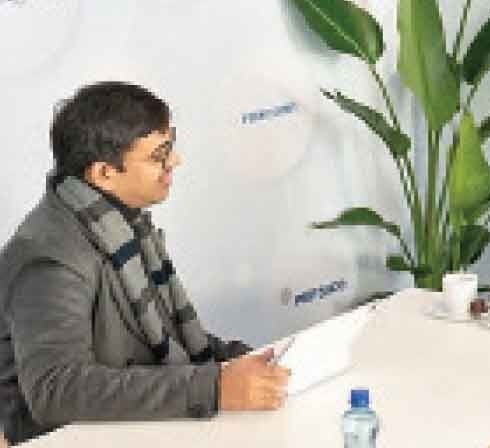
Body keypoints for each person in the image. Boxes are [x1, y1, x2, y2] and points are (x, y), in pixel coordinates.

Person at [0, 82, 290, 443]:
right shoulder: (48, 258)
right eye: (158, 156)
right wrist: (213, 387)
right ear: (104, 173)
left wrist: (237, 362)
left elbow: (162, 336)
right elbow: (57, 390)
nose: (175, 161)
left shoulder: (120, 223)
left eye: (170, 147)